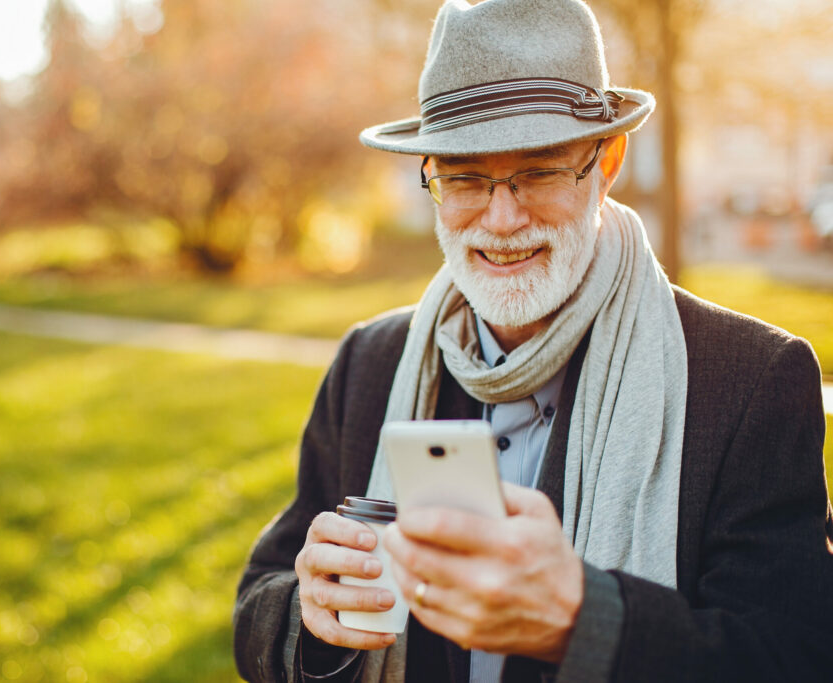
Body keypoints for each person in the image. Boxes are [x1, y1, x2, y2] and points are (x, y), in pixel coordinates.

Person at [233, 0, 833, 681]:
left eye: (539, 171)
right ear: (429, 175)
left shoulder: (752, 380)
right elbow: (260, 595)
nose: (502, 217)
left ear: (607, 162)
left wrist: (587, 618)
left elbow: (798, 653)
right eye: (464, 177)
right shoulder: (370, 363)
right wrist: (311, 615)